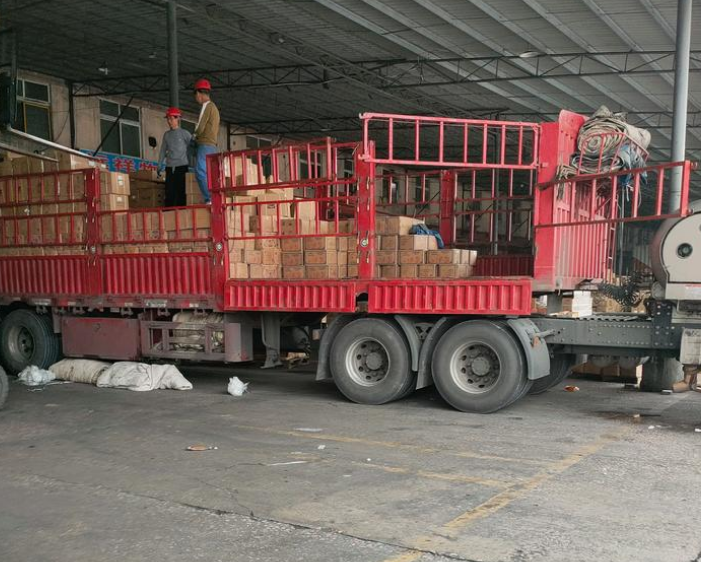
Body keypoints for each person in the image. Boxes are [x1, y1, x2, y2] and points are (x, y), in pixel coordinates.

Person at [192, 78, 220, 204]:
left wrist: (194, 136)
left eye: (196, 95)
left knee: (199, 170)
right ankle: (214, 197)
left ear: (199, 93)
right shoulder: (215, 108)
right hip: (212, 145)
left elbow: (200, 126)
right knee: (209, 173)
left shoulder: (207, 106)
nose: (196, 99)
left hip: (205, 144)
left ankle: (209, 198)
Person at [158, 107, 192, 207]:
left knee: (181, 194)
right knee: (169, 194)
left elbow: (193, 148)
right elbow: (163, 150)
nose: (169, 121)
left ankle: (181, 214)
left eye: (171, 118)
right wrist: (159, 164)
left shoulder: (185, 134)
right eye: (168, 119)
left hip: (182, 167)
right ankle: (168, 213)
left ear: (178, 119)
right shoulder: (166, 135)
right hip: (169, 168)